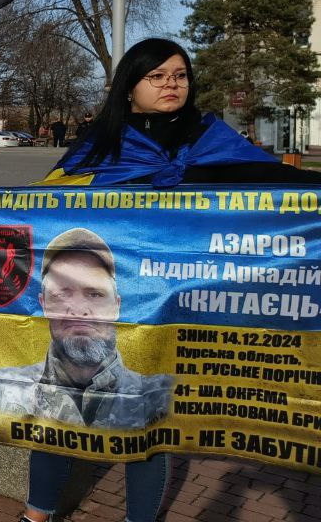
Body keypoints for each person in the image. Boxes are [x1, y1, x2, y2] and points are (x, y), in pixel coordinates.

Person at [23, 37, 321, 522]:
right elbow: (48, 205)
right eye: (156, 76)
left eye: (179, 75)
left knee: (152, 420)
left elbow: (270, 183)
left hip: (176, 304)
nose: (171, 85)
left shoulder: (209, 138)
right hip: (108, 309)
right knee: (59, 414)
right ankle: (36, 514)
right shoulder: (102, 143)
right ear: (129, 88)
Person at [0, 227, 172, 428]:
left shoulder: (160, 396)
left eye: (95, 294)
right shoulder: (2, 389)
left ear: (116, 305)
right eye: (62, 294)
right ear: (43, 304)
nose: (80, 310)